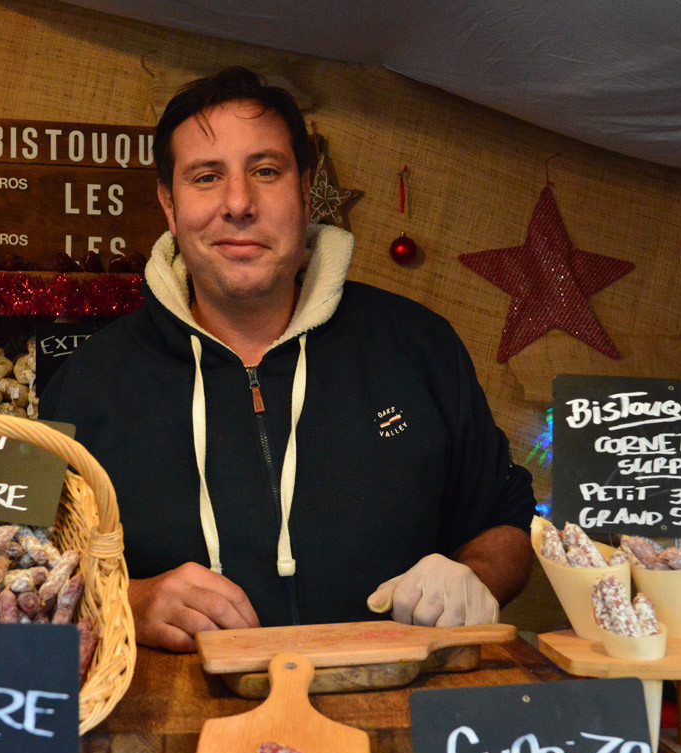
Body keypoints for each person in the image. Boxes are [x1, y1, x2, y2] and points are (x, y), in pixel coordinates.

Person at [41, 67, 537, 651]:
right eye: (206, 177)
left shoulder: (418, 346)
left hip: (400, 714)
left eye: (266, 172)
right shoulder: (89, 381)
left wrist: (473, 579)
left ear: (305, 194)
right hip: (183, 730)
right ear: (169, 206)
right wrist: (130, 601)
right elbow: (32, 570)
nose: (238, 204)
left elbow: (505, 521)